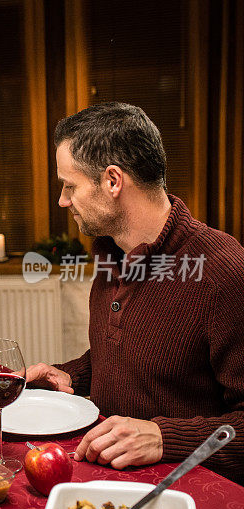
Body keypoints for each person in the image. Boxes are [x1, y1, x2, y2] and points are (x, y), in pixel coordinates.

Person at [26, 102, 244, 481]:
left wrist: (164, 437)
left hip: (185, 490)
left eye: (70, 185)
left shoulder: (223, 272)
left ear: (113, 181)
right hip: (111, 477)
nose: (62, 200)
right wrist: (71, 375)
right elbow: (142, 356)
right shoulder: (113, 254)